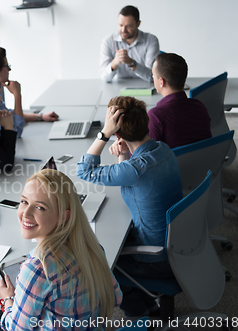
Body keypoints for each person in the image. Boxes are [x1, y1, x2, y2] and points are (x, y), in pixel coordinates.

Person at [77, 96, 183, 317]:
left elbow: (83, 171)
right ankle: (151, 306)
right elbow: (132, 176)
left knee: (100, 266)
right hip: (177, 246)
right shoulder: (163, 149)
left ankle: (143, 317)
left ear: (118, 133)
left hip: (155, 259)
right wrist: (124, 154)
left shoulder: (136, 169)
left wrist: (103, 134)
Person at [0, 169, 122, 330]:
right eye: (24, 202)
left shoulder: (37, 269)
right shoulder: (93, 248)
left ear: (63, 216)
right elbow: (116, 298)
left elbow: (16, 328)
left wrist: (8, 300)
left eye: (40, 207)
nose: (25, 213)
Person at [0, 45, 59, 138]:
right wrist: (17, 95)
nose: (9, 70)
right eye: (7, 66)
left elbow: (10, 115)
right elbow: (16, 131)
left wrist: (41, 117)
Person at [149, 53, 212, 148]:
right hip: (204, 162)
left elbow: (147, 156)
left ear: (161, 82)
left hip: (173, 163)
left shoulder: (156, 116)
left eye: (153, 75)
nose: (153, 78)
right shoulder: (200, 106)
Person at [100, 5, 159, 83]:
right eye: (120, 25)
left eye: (128, 26)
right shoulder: (108, 41)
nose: (123, 30)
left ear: (138, 24)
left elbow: (152, 77)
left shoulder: (151, 40)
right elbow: (104, 78)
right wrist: (115, 62)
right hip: (118, 88)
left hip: (145, 86)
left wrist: (132, 63)